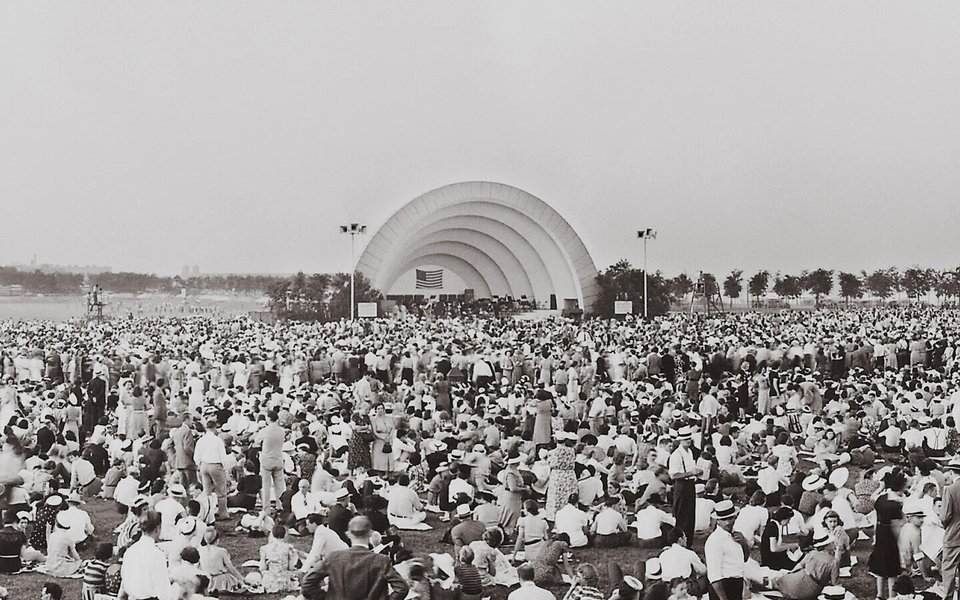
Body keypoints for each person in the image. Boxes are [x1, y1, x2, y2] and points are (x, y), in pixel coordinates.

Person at [301, 515, 409, 600]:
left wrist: (327, 597)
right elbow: (402, 588)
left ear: (348, 534)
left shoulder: (334, 558)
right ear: (370, 534)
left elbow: (308, 582)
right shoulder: (381, 560)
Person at [121, 510, 176, 600]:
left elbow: (125, 580)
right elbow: (164, 593)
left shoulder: (130, 551)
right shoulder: (157, 554)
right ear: (158, 528)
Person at [770, 533, 840, 600]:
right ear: (827, 546)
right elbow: (835, 583)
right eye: (832, 543)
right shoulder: (834, 562)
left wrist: (790, 573)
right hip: (812, 591)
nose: (834, 544)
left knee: (780, 579)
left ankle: (771, 584)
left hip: (799, 580)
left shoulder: (812, 554)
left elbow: (799, 566)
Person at [704, 500, 748, 600]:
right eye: (723, 519)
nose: (727, 522)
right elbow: (714, 576)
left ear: (735, 517)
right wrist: (723, 598)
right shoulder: (714, 540)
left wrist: (744, 543)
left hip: (737, 583)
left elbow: (744, 559)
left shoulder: (736, 536)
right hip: (722, 587)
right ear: (718, 521)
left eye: (730, 518)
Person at [669, 427, 699, 545]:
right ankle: (679, 541)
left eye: (689, 438)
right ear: (680, 440)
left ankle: (688, 541)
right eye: (685, 439)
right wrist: (690, 473)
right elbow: (674, 475)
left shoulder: (689, 452)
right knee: (682, 514)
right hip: (681, 486)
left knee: (690, 515)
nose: (688, 441)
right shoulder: (676, 455)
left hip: (690, 484)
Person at [193, 419, 229, 520]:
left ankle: (207, 513)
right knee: (221, 491)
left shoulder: (201, 440)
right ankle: (223, 513)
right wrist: (224, 467)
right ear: (215, 428)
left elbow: (196, 456)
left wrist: (200, 464)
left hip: (204, 465)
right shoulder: (218, 440)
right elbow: (223, 456)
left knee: (207, 492)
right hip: (215, 465)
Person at [198, 527, 246, 594]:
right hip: (220, 580)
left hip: (206, 580)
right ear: (217, 540)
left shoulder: (200, 550)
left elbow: (197, 566)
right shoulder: (221, 551)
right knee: (234, 580)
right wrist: (242, 578)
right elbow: (231, 569)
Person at [258, 524, 300, 593]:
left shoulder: (264, 548)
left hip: (269, 582)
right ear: (285, 534)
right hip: (284, 582)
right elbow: (291, 567)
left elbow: (262, 568)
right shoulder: (289, 547)